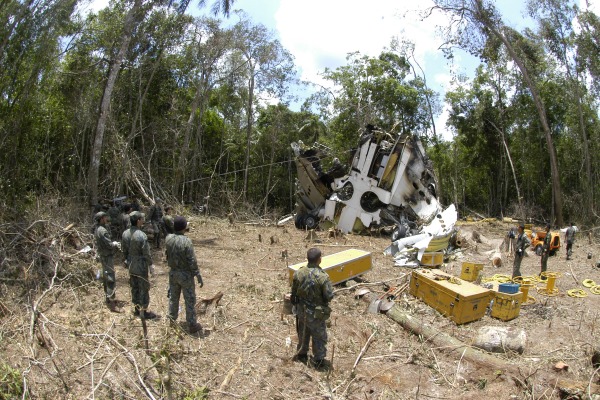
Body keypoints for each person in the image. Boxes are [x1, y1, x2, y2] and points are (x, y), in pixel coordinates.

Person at [291, 247, 334, 369]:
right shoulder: (323, 277)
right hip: (316, 314)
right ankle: (319, 359)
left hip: (301, 311)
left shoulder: (298, 273)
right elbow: (329, 296)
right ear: (319, 260)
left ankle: (302, 354)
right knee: (319, 336)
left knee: (303, 333)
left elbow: (293, 293)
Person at [165, 216, 203, 333]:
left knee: (173, 298)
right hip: (185, 274)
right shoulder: (186, 241)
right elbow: (192, 260)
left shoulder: (168, 238)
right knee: (190, 299)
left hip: (173, 273)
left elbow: (166, 255)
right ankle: (191, 324)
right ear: (183, 227)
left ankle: (172, 320)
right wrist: (197, 274)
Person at [121, 211, 157, 319]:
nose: (143, 220)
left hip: (131, 263)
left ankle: (136, 308)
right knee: (143, 287)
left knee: (134, 286)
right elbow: (146, 253)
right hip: (140, 264)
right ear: (138, 221)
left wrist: (126, 260)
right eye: (142, 219)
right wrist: (150, 265)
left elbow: (124, 250)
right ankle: (143, 311)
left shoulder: (125, 233)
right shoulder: (142, 235)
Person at [93, 212, 121, 312]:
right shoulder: (102, 230)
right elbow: (108, 244)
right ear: (101, 219)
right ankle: (112, 303)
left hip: (103, 255)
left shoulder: (97, 229)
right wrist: (114, 244)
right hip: (107, 256)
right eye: (105, 217)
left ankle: (108, 299)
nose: (106, 218)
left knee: (106, 276)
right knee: (110, 278)